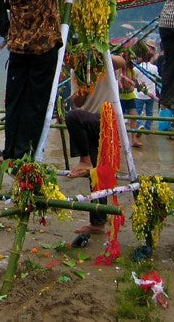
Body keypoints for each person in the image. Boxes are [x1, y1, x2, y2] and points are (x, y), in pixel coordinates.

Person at [0, 0, 83, 160]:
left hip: (17, 49)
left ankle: (11, 151)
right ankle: (25, 154)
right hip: (41, 49)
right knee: (35, 103)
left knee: (15, 102)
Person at [65, 55, 127, 239]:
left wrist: (97, 54)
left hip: (106, 119)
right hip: (89, 123)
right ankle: (97, 223)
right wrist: (82, 90)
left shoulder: (105, 63)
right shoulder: (76, 71)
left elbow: (122, 62)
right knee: (96, 175)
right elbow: (77, 103)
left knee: (72, 117)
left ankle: (84, 160)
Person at [134, 45, 159, 131]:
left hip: (139, 94)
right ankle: (148, 128)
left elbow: (134, 80)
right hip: (151, 94)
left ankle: (140, 125)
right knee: (149, 112)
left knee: (138, 112)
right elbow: (156, 78)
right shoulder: (154, 68)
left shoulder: (136, 68)